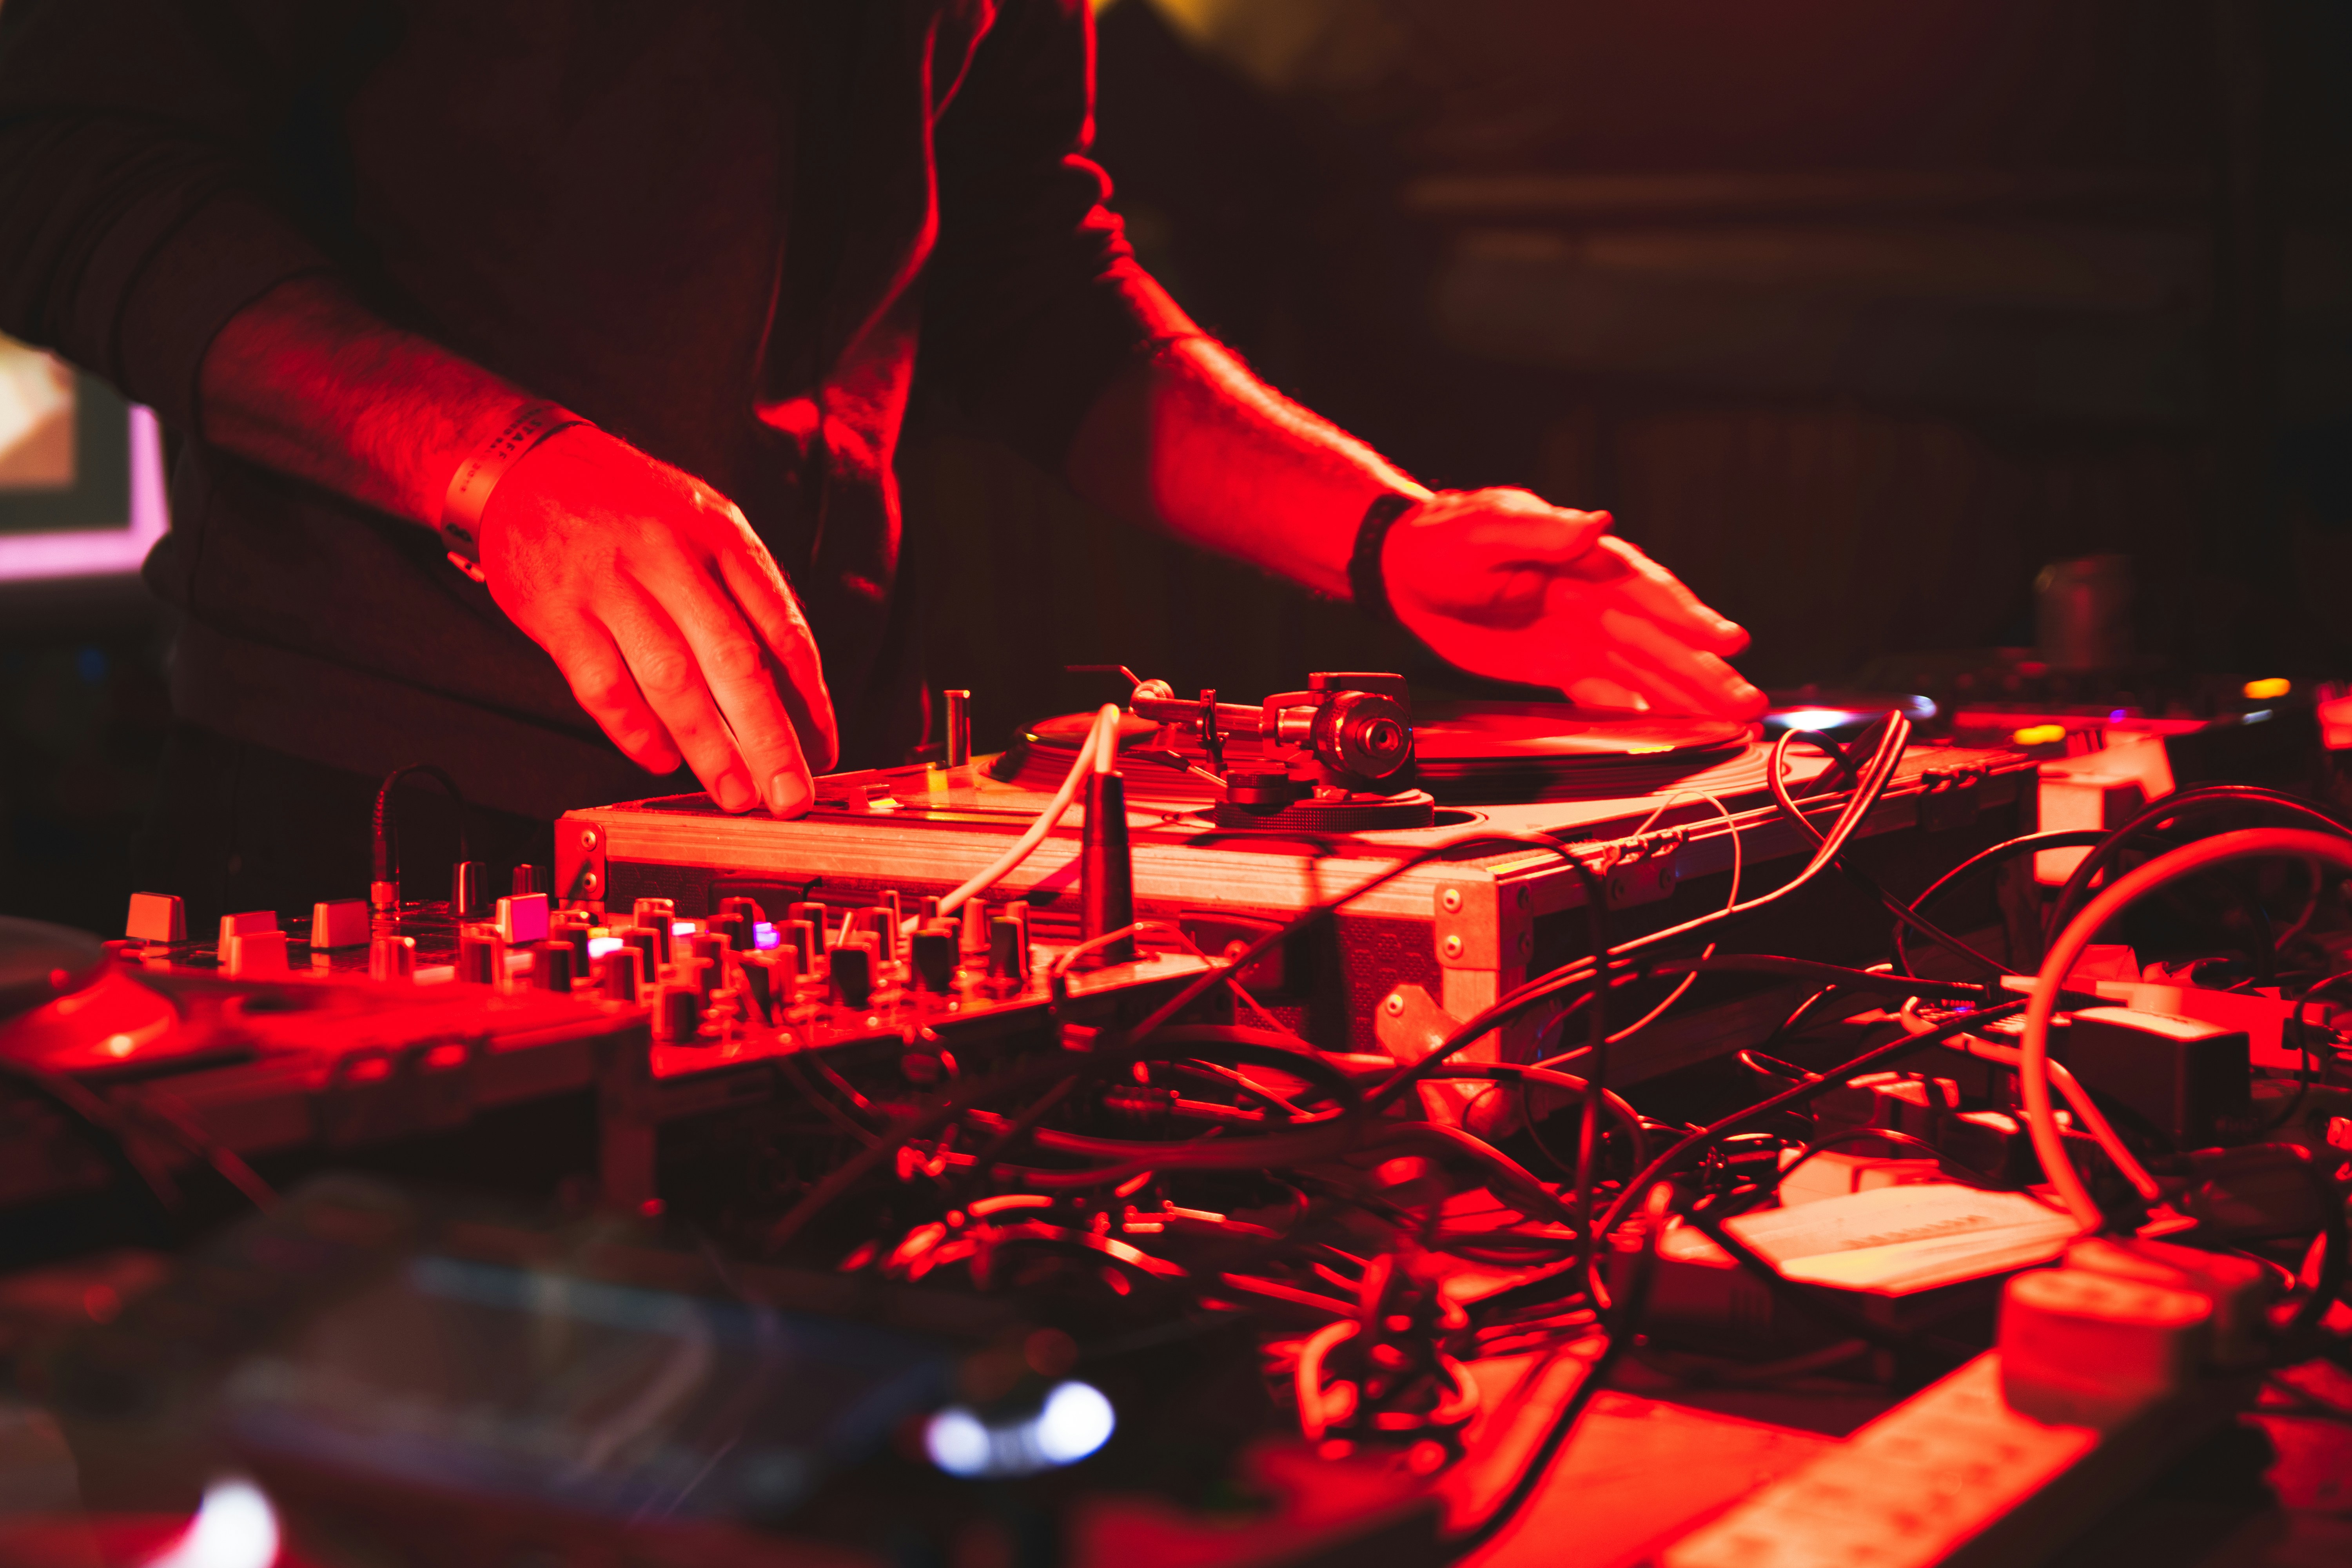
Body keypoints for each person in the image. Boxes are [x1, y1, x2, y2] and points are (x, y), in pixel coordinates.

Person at [0, 0, 1762, 918]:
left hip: (805, 824)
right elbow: (58, 163)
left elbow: (1026, 279)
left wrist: (1386, 538)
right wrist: (504, 469)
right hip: (362, 816)